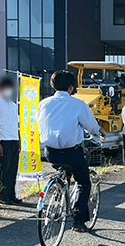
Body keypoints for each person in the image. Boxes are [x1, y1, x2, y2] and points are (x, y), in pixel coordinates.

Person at [36, 70, 106, 232]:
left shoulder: (43, 104)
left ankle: (60, 190)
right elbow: (90, 126)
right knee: (83, 182)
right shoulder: (77, 104)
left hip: (50, 153)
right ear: (71, 87)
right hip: (72, 152)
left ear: (52, 85)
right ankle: (78, 221)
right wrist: (99, 130)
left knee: (63, 170)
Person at [0, 76, 21, 205]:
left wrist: (19, 141)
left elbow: (16, 125)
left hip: (13, 141)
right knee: (2, 171)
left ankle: (11, 195)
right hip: (3, 141)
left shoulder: (13, 105)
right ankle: (1, 196)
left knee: (12, 171)